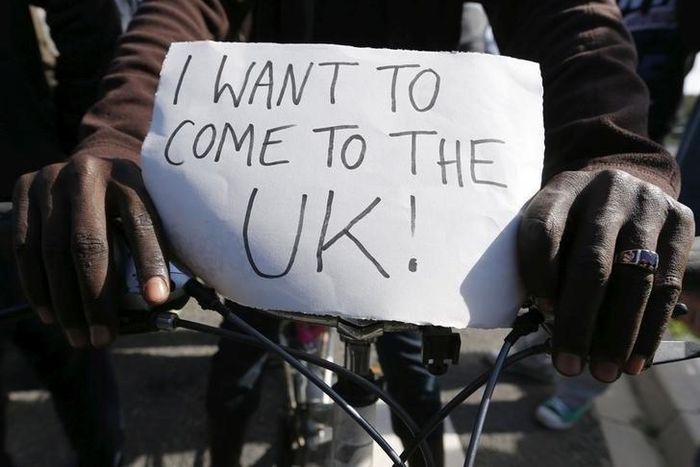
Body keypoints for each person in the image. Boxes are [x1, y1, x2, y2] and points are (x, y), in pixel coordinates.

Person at [9, 0, 697, 465]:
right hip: (260, 166)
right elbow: (183, 6)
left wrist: (612, 151)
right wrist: (121, 139)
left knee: (414, 376)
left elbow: (567, 16)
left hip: (412, 183)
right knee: (236, 372)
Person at [531, 0, 700, 430]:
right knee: (550, 245)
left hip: (638, 148)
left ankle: (576, 390)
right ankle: (532, 344)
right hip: (560, 140)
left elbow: (583, 25)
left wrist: (625, 156)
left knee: (618, 271)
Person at [1, 0, 124, 465]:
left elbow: (87, 19)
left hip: (24, 197)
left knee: (76, 343)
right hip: (25, 174)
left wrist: (84, 145)